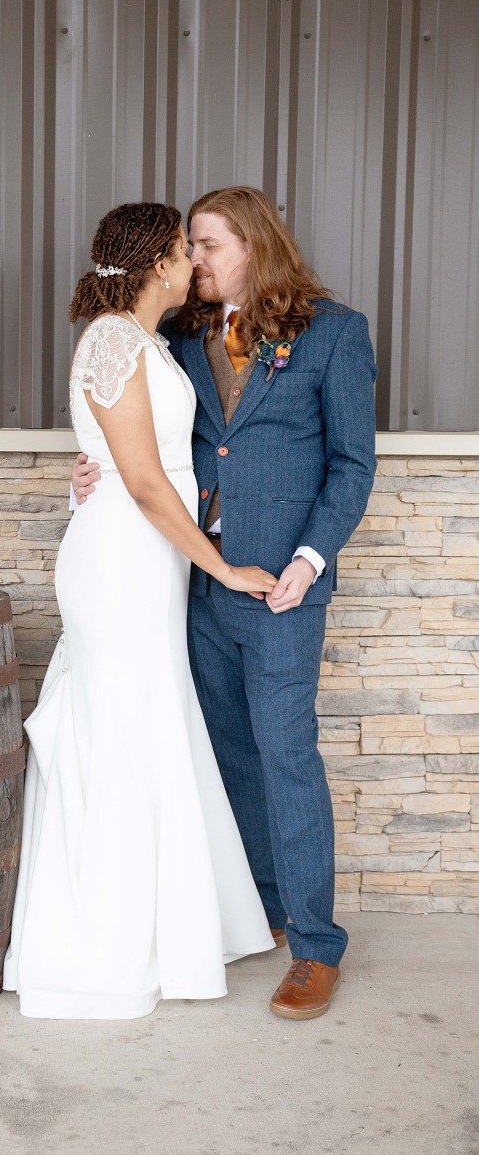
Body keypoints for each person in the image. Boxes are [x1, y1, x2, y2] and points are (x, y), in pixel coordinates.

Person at [70, 187, 377, 1020]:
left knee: (286, 757)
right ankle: (262, 908)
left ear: (253, 245)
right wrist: (89, 474)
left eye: (207, 244)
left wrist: (309, 561)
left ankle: (316, 947)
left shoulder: (335, 333)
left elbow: (353, 465)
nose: (194, 259)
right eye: (190, 246)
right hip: (192, 585)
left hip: (279, 587)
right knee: (228, 755)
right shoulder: (176, 334)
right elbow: (139, 439)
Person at [2, 202, 278, 1019]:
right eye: (183, 250)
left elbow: (130, 458)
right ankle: (107, 932)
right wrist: (223, 568)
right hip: (122, 561)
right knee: (119, 726)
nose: (194, 262)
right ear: (158, 263)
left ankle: (163, 926)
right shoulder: (113, 341)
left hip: (150, 559)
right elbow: (147, 482)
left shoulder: (146, 341)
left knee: (150, 719)